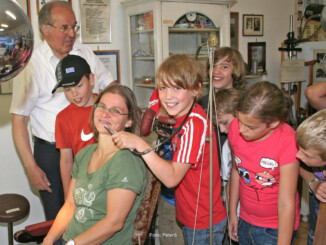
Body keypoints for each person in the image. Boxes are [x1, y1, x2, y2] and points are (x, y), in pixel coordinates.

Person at [10, 1, 114, 220]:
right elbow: (19, 120)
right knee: (60, 219)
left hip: (91, 146)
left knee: (97, 214)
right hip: (52, 152)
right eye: (64, 28)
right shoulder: (31, 65)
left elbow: (112, 88)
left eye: (74, 27)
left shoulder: (84, 53)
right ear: (45, 29)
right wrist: (31, 167)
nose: (71, 34)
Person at [112, 54, 227, 245]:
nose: (168, 96)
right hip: (190, 216)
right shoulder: (182, 113)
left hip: (204, 223)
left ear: (196, 89)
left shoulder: (194, 124)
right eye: (163, 87)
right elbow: (155, 102)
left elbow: (171, 178)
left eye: (177, 88)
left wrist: (140, 144)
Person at [42, 84, 147, 245]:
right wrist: (48, 240)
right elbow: (70, 205)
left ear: (128, 121)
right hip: (69, 239)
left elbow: (114, 223)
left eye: (115, 110)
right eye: (101, 107)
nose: (105, 114)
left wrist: (71, 244)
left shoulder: (126, 162)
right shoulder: (86, 153)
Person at [228, 81, 300, 244]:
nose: (241, 130)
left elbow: (286, 203)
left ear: (274, 123)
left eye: (251, 127)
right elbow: (235, 170)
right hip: (245, 219)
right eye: (240, 121)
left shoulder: (288, 141)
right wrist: (232, 212)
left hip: (275, 229)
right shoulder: (235, 128)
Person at [53, 55, 98, 199]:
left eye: (79, 86)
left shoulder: (108, 107)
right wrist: (68, 197)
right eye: (68, 90)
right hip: (84, 182)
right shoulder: (63, 118)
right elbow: (66, 160)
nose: (75, 94)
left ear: (91, 80)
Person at [296, 109, 326, 245]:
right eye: (299, 149)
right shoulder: (312, 151)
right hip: (315, 230)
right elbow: (302, 167)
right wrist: (313, 183)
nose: (298, 156)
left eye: (307, 155)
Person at [214, 89, 241, 212]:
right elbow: (227, 183)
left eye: (225, 123)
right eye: (218, 125)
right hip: (238, 214)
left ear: (239, 114)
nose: (222, 130)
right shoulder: (226, 146)